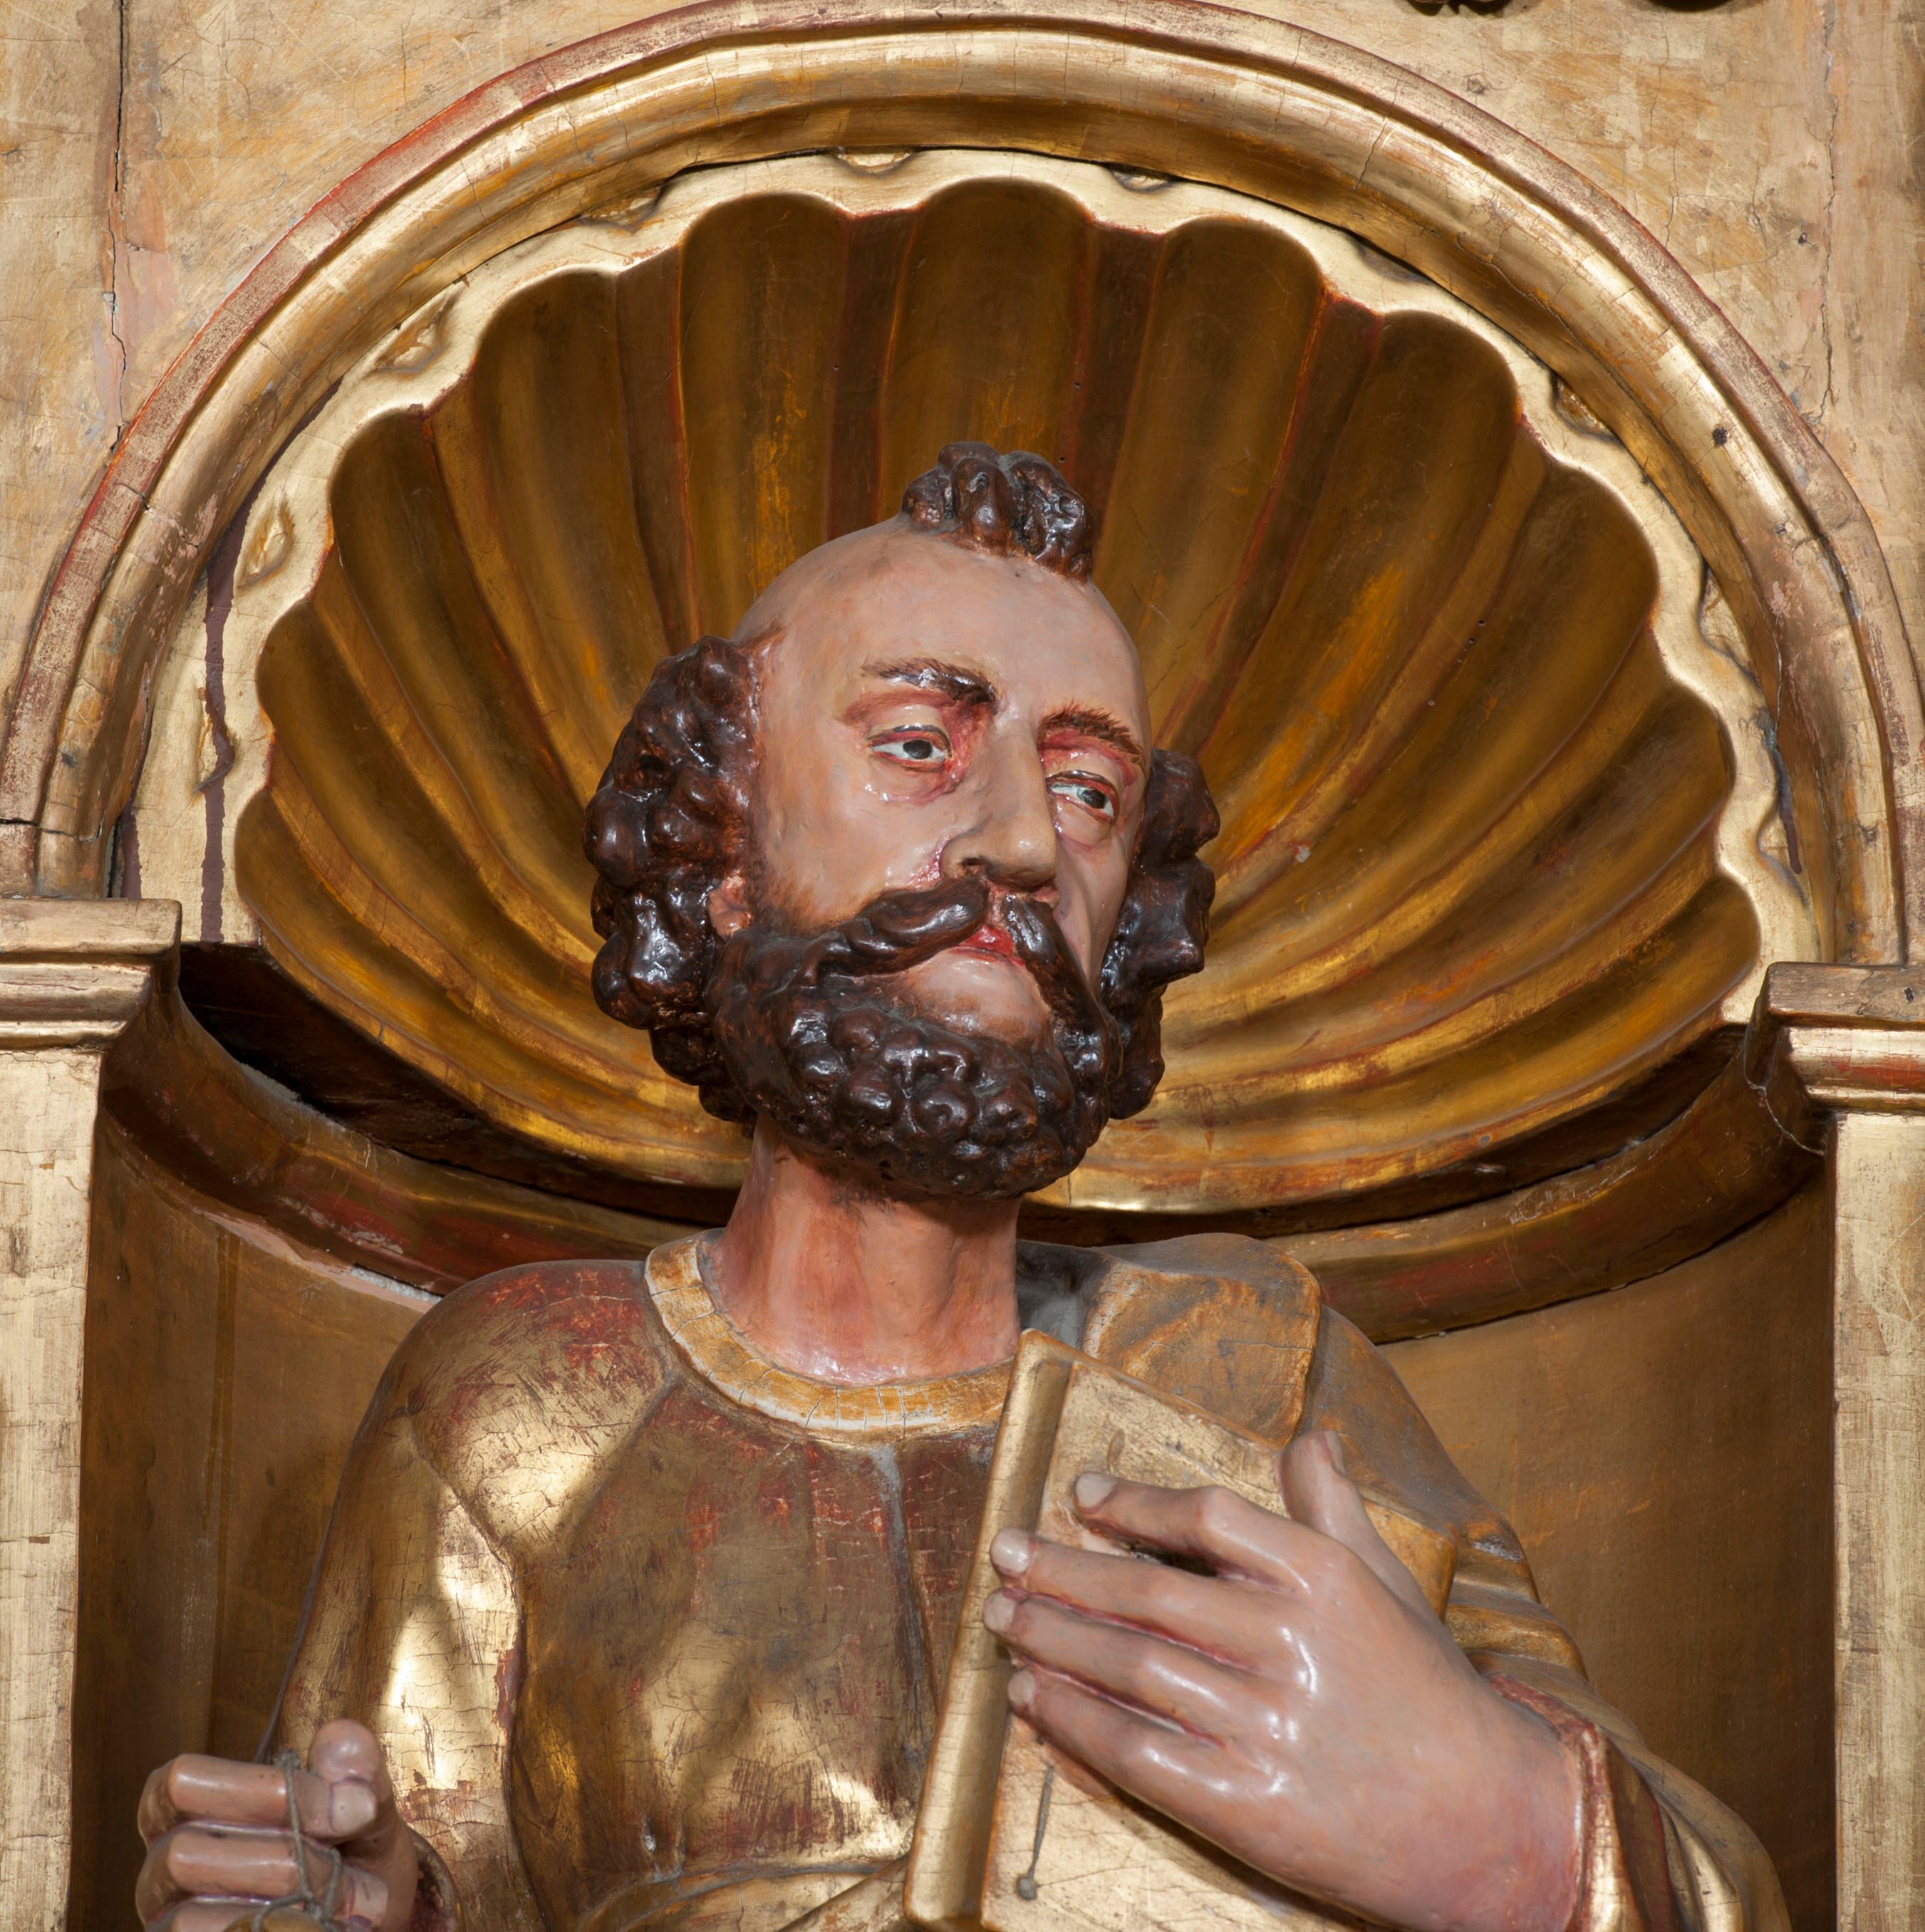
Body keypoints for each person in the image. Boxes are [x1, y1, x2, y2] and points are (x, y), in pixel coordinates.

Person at [136, 446, 1785, 1932]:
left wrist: (1509, 1836)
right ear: (721, 850)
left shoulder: (1257, 1372)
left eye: (1088, 793)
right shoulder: (517, 1409)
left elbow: (1715, 1888)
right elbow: (376, 1868)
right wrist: (345, 1906)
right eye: (921, 746)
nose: (1021, 846)